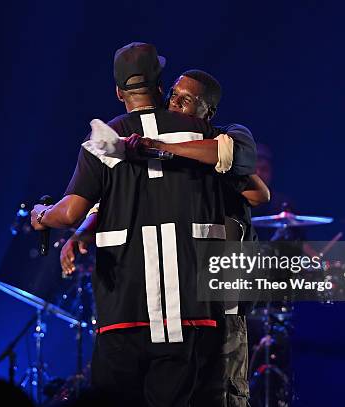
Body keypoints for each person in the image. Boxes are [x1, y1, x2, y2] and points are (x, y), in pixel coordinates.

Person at [30, 42, 254, 406]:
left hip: (124, 312)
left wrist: (41, 216)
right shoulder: (203, 134)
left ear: (119, 91)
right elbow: (255, 186)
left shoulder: (105, 140)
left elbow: (70, 212)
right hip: (191, 312)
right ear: (162, 86)